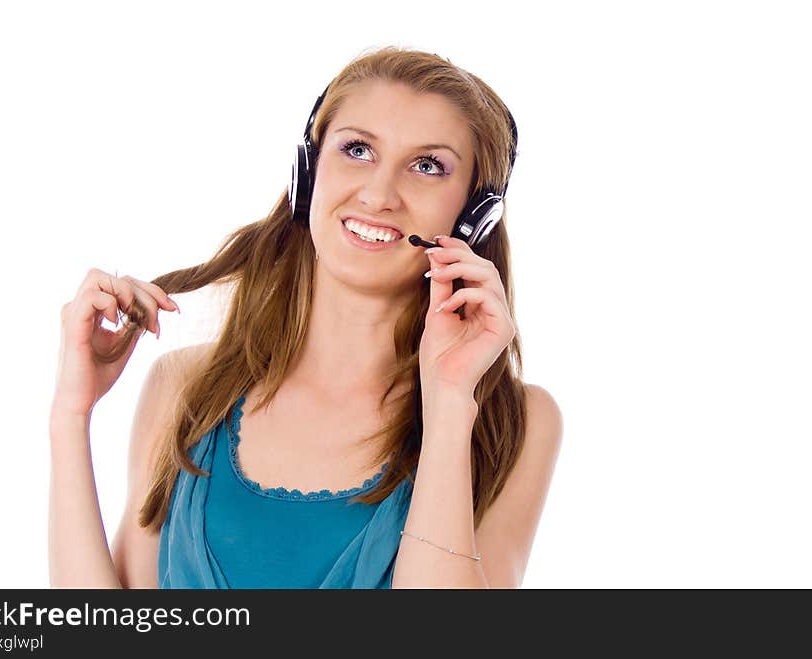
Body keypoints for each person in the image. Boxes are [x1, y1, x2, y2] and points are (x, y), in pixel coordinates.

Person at [49, 46, 563, 589]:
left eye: (427, 166)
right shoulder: (186, 389)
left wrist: (451, 401)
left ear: (474, 218)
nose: (378, 194)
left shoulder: (516, 421)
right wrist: (69, 415)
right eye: (358, 149)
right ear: (307, 173)